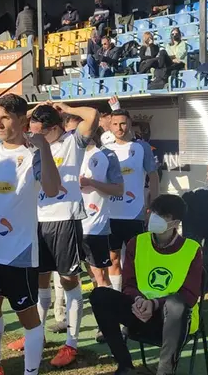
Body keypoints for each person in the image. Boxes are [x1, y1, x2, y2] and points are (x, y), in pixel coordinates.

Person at [0, 94, 60, 375]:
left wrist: (43, 147)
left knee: (28, 317)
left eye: (4, 118)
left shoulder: (33, 153)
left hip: (19, 251)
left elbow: (53, 189)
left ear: (22, 120)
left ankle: (30, 372)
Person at [6, 102, 98, 368]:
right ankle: (37, 335)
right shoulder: (34, 147)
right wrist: (31, 112)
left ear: (55, 128)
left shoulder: (72, 141)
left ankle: (71, 344)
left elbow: (92, 115)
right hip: (37, 220)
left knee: (69, 280)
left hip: (64, 220)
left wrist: (67, 107)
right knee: (40, 282)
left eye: (40, 133)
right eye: (33, 132)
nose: (34, 137)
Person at [91, 194, 203, 375]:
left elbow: (189, 295)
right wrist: (138, 300)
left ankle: (164, 372)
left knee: (177, 305)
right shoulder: (137, 243)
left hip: (173, 320)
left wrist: (155, 304)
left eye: (163, 216)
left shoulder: (192, 249)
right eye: (154, 212)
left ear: (175, 223)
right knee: (99, 295)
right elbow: (128, 283)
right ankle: (125, 365)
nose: (154, 218)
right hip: (139, 311)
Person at [105, 106, 159, 295]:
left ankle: (138, 295)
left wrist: (153, 207)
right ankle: (117, 296)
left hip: (135, 213)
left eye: (123, 123)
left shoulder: (141, 147)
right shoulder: (105, 150)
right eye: (115, 124)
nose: (119, 127)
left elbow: (153, 176)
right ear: (110, 126)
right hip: (110, 214)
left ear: (129, 124)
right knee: (112, 258)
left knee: (136, 258)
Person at [79, 129, 124, 340]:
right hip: (71, 225)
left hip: (95, 226)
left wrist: (90, 182)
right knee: (86, 276)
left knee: (101, 277)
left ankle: (108, 325)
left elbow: (118, 190)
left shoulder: (106, 155)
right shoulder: (69, 153)